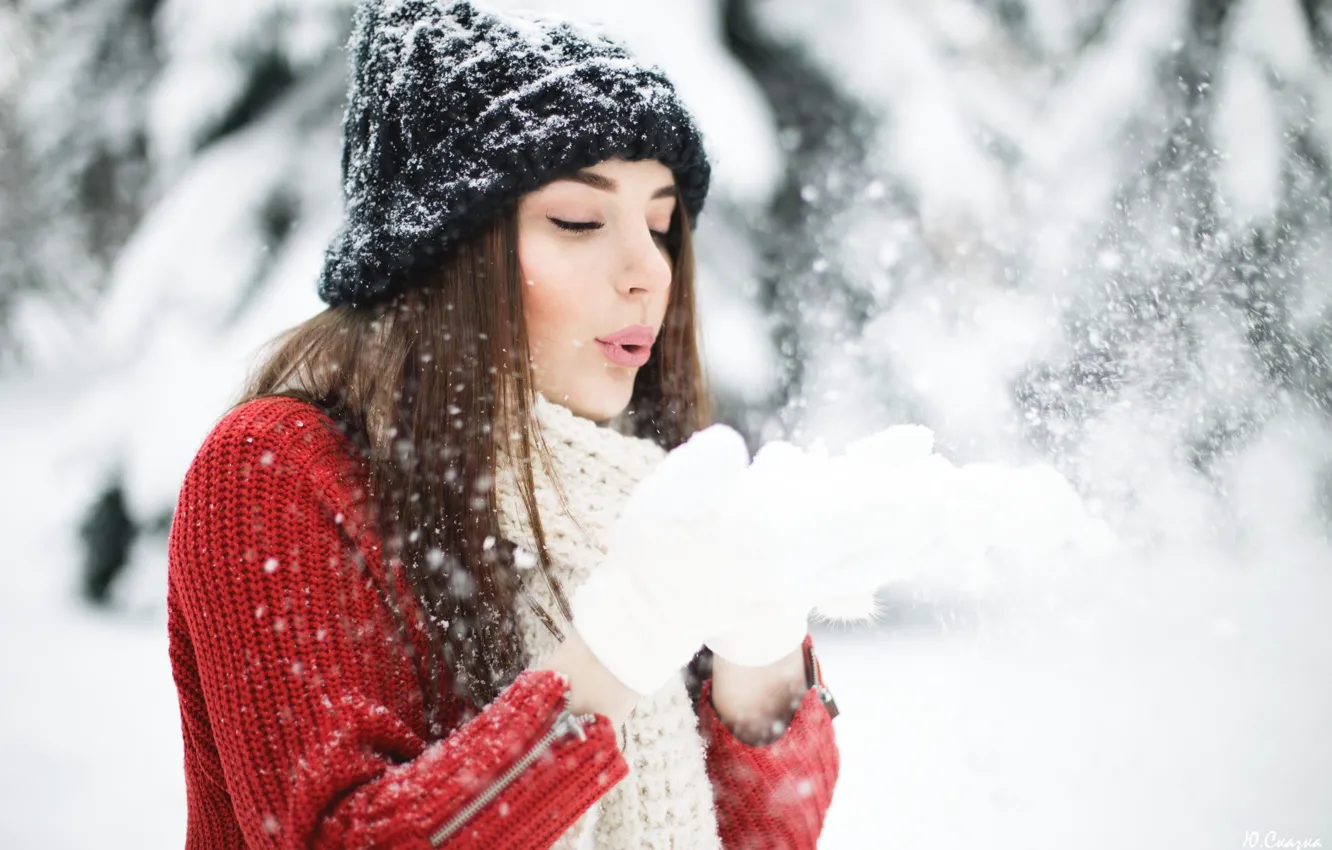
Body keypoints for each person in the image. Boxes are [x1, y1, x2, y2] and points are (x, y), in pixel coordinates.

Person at [167, 2, 841, 847]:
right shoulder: (277, 472)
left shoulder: (632, 485)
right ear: (445, 253)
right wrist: (613, 653)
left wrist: (763, 647)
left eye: (663, 224)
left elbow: (764, 835)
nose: (647, 272)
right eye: (578, 220)